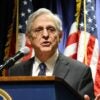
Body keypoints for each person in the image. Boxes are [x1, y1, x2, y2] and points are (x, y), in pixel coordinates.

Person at [8, 8, 95, 100]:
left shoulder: (80, 72)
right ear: (29, 39)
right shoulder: (15, 72)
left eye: (51, 29)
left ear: (60, 36)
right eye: (38, 30)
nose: (45, 35)